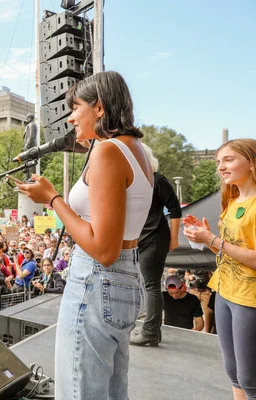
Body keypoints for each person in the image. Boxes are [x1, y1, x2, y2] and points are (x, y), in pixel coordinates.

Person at [17, 71, 153, 399]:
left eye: (75, 107)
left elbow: (102, 249)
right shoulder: (136, 150)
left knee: (78, 391)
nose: (71, 117)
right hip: (124, 276)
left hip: (97, 278)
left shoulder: (108, 153)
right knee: (110, 391)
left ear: (100, 108)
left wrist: (52, 199)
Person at [183, 138, 256, 400]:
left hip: (249, 299)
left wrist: (212, 240)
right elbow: (228, 253)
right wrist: (204, 237)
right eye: (218, 162)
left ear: (251, 162)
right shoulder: (233, 202)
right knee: (234, 372)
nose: (220, 168)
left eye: (228, 160)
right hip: (225, 292)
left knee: (251, 379)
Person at [131, 144, 182, 346]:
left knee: (151, 284)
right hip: (141, 239)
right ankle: (152, 330)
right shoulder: (135, 182)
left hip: (155, 237)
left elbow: (175, 209)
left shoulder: (157, 180)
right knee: (147, 283)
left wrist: (174, 238)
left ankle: (151, 331)